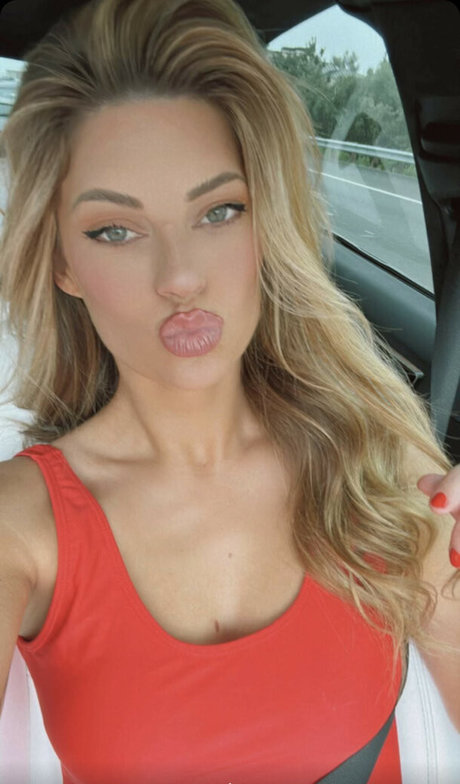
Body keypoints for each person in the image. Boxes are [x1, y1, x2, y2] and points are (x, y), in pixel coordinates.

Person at [0, 0, 459, 781]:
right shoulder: (23, 526)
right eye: (115, 229)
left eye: (219, 211)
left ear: (267, 224)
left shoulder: (378, 470)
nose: (180, 277)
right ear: (63, 263)